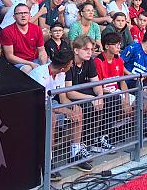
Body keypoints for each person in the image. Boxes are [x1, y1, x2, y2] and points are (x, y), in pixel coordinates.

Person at [28, 49, 85, 178]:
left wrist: (71, 107)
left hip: (50, 103)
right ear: (64, 66)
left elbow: (63, 98)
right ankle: (48, 160)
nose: (71, 66)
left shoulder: (61, 74)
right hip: (33, 106)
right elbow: (40, 103)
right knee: (52, 118)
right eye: (70, 64)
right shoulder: (39, 74)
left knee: (77, 111)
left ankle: (75, 154)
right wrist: (64, 110)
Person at [64, 36, 108, 168]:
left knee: (111, 99)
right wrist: (91, 99)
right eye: (86, 49)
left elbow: (96, 84)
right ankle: (82, 143)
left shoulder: (90, 61)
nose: (89, 52)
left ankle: (96, 139)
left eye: (91, 49)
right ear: (76, 50)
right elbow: (69, 92)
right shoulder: (69, 63)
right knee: (89, 105)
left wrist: (99, 96)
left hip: (84, 92)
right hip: (70, 96)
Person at [0, 3, 48, 73]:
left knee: (54, 66)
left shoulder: (37, 29)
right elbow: (9, 57)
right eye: (19, 13)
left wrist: (43, 66)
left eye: (25, 13)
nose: (23, 15)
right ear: (14, 17)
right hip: (18, 63)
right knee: (27, 69)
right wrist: (30, 63)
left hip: (35, 59)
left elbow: (41, 50)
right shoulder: (7, 31)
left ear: (29, 15)